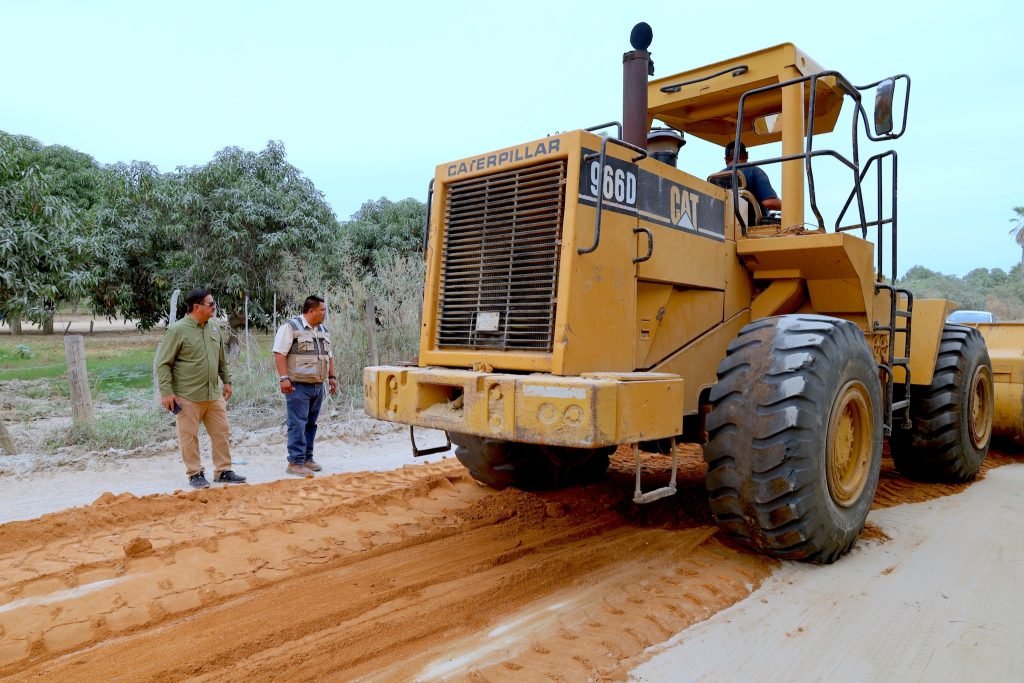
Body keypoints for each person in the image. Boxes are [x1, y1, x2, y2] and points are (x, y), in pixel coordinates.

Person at [155, 288, 247, 489]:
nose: (214, 308)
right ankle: (195, 473)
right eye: (211, 304)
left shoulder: (214, 328)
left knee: (221, 432)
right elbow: (163, 364)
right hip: (187, 396)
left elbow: (222, 359)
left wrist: (227, 381)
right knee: (189, 436)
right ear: (196, 307)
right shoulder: (177, 330)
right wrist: (167, 393)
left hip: (213, 394)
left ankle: (223, 470)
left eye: (214, 304)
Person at [272, 295, 338, 477]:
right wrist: (284, 378)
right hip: (298, 386)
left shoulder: (322, 330)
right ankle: (295, 462)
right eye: (322, 310)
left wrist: (332, 377)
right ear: (311, 311)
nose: (325, 313)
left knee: (310, 424)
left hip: (318, 385)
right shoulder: (290, 327)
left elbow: (329, 355)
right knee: (297, 424)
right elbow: (279, 353)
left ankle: (307, 459)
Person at [722, 140, 782, 212]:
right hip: (752, 222)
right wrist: (792, 206)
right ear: (747, 155)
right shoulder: (755, 172)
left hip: (722, 222)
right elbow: (769, 202)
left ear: (726, 159)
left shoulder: (715, 178)